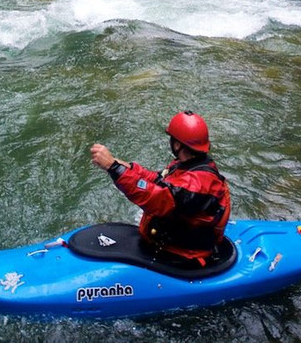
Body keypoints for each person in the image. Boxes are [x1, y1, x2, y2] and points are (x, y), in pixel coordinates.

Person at [90, 110, 231, 267]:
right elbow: (156, 180)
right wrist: (120, 164)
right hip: (172, 243)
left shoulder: (198, 184)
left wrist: (114, 168)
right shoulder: (186, 166)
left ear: (177, 144)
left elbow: (154, 196)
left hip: (183, 256)